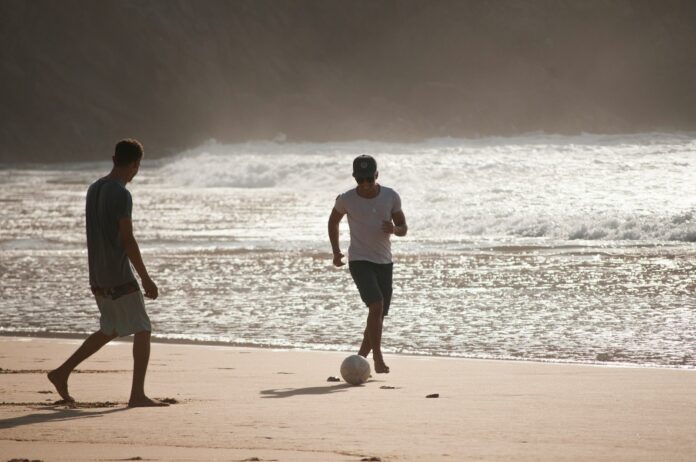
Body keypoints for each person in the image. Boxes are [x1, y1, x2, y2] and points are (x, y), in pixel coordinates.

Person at [48, 139, 166, 407]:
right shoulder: (121, 194)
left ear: (114, 159)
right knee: (143, 327)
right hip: (118, 274)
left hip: (97, 275)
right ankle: (137, 394)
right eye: (137, 167)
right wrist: (146, 277)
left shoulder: (94, 188)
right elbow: (127, 239)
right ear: (135, 164)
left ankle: (61, 372)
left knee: (110, 328)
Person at [328, 155, 408, 373]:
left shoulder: (390, 196)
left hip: (384, 261)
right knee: (376, 305)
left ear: (376, 176)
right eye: (360, 179)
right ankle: (378, 359)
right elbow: (333, 221)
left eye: (369, 180)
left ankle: (359, 361)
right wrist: (336, 252)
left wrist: (395, 230)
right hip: (359, 260)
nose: (364, 185)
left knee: (378, 315)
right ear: (355, 177)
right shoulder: (346, 199)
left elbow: (403, 227)